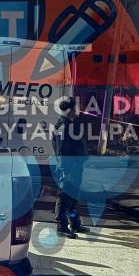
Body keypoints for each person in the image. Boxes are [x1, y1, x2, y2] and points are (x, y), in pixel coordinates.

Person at [52, 97, 90, 238]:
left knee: (72, 197)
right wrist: (66, 168)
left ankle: (75, 223)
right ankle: (61, 226)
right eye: (76, 107)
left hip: (73, 165)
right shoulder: (65, 126)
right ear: (70, 109)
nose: (78, 110)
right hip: (69, 167)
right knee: (64, 196)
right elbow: (62, 149)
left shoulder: (65, 124)